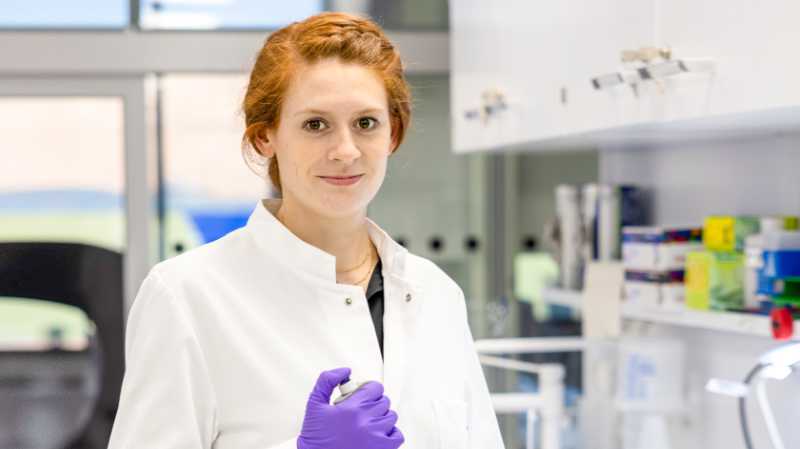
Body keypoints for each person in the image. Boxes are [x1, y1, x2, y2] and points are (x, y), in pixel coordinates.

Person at [108, 11, 504, 449]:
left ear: (393, 134)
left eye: (366, 123)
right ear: (265, 138)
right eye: (315, 124)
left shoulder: (436, 294)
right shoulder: (188, 296)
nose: (346, 150)